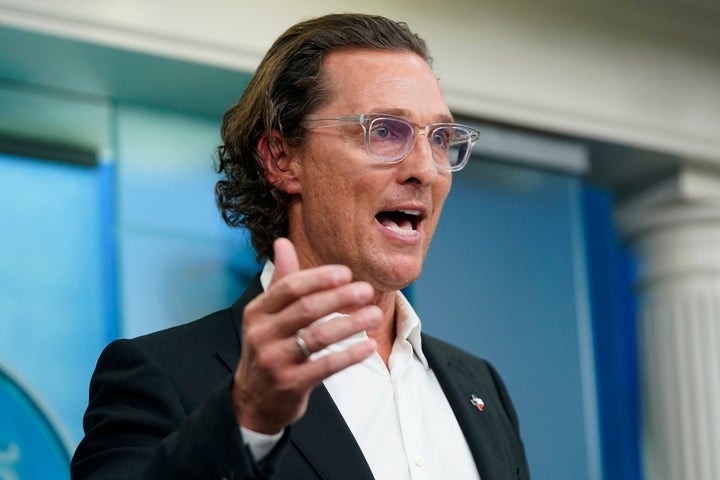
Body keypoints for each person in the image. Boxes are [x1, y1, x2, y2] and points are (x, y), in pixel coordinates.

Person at [71, 12, 530, 480]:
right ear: (281, 158)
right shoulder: (163, 376)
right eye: (386, 131)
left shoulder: (481, 386)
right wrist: (247, 417)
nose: (426, 171)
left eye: (439, 139)